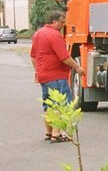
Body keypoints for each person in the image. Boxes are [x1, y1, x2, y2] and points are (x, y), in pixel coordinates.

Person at [29, 10, 85, 143]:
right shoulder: (54, 35)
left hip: (44, 75)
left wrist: (37, 71)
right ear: (54, 22)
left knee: (48, 104)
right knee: (60, 104)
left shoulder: (38, 34)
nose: (63, 25)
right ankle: (56, 134)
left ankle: (49, 132)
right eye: (61, 22)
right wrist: (77, 67)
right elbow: (64, 57)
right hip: (56, 75)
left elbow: (33, 56)